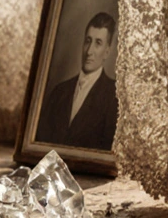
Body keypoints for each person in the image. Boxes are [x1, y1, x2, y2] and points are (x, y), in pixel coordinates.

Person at [34, 11, 118, 151]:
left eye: (98, 43)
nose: (89, 51)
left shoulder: (114, 97)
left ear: (107, 51)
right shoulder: (59, 91)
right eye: (88, 41)